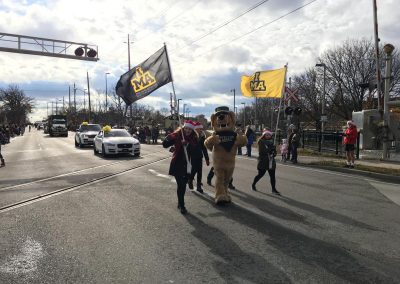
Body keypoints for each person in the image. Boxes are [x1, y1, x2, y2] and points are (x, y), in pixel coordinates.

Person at [162, 121, 199, 214]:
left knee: (182, 186)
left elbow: (195, 152)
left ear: (192, 131)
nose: (187, 130)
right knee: (181, 185)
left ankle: (180, 203)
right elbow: (165, 145)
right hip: (177, 164)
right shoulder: (177, 136)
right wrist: (168, 138)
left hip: (187, 166)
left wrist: (187, 145)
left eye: (190, 129)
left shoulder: (193, 139)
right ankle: (182, 205)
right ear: (183, 128)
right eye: (186, 128)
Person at [251, 130, 280, 195]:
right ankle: (253, 184)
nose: (268, 136)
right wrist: (271, 149)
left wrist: (274, 152)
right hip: (263, 160)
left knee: (272, 176)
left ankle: (273, 189)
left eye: (269, 135)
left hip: (271, 161)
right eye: (266, 135)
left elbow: (274, 153)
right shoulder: (261, 142)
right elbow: (263, 151)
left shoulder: (272, 142)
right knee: (260, 174)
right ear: (264, 135)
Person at [188, 122, 210, 193]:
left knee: (199, 171)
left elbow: (204, 148)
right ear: (196, 129)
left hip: (200, 156)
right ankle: (190, 180)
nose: (201, 130)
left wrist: (207, 158)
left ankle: (198, 186)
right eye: (199, 129)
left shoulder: (202, 136)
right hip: (193, 156)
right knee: (194, 170)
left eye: (201, 129)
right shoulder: (191, 136)